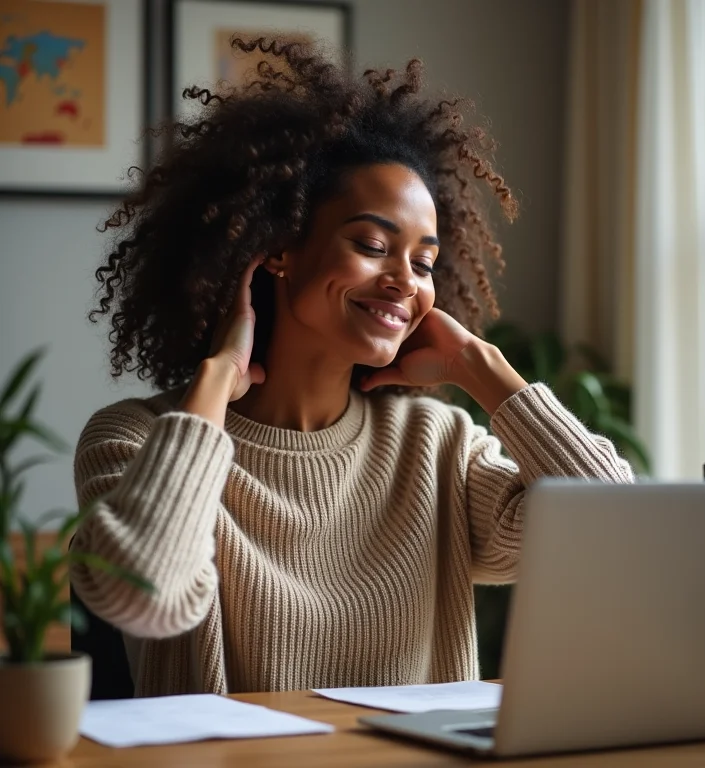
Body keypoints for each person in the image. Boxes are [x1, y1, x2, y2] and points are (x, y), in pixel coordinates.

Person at [70, 38, 633, 698]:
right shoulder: (136, 440)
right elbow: (146, 597)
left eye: (423, 263)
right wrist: (217, 381)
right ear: (279, 250)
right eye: (372, 245)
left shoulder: (437, 444)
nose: (405, 280)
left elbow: (609, 527)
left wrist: (477, 365)